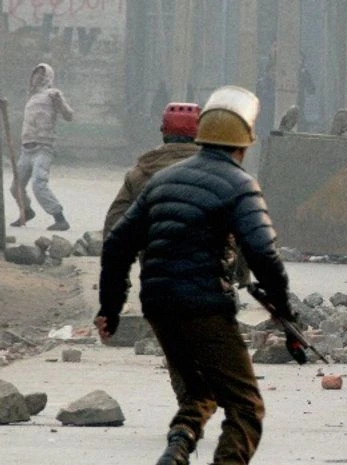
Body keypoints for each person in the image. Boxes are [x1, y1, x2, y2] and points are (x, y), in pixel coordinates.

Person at [95, 85, 296, 465]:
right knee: (245, 406)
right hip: (205, 299)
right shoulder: (238, 182)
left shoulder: (148, 176)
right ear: (243, 144)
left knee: (195, 388)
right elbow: (261, 249)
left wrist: (112, 306)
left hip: (157, 295)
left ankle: (178, 447)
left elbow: (115, 236)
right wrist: (281, 307)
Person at [103, 102, 201, 238]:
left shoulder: (138, 173)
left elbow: (114, 222)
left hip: (153, 255)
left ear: (163, 130)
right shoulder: (219, 172)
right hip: (206, 256)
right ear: (200, 132)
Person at [10, 63, 73, 231]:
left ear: (47, 77)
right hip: (26, 149)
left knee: (39, 183)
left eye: (41, 74)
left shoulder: (53, 94)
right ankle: (27, 211)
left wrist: (60, 102)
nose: (37, 77)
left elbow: (69, 116)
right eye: (35, 74)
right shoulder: (31, 97)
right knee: (15, 186)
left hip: (43, 148)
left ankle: (60, 218)